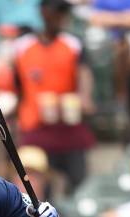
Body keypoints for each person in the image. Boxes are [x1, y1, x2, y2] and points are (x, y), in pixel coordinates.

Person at [12, 0, 95, 192]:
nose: (60, 16)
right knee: (35, 186)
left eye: (63, 12)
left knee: (78, 181)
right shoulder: (23, 46)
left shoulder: (72, 43)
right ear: (43, 11)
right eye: (56, 11)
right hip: (34, 125)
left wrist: (85, 97)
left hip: (67, 122)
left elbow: (84, 74)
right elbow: (17, 86)